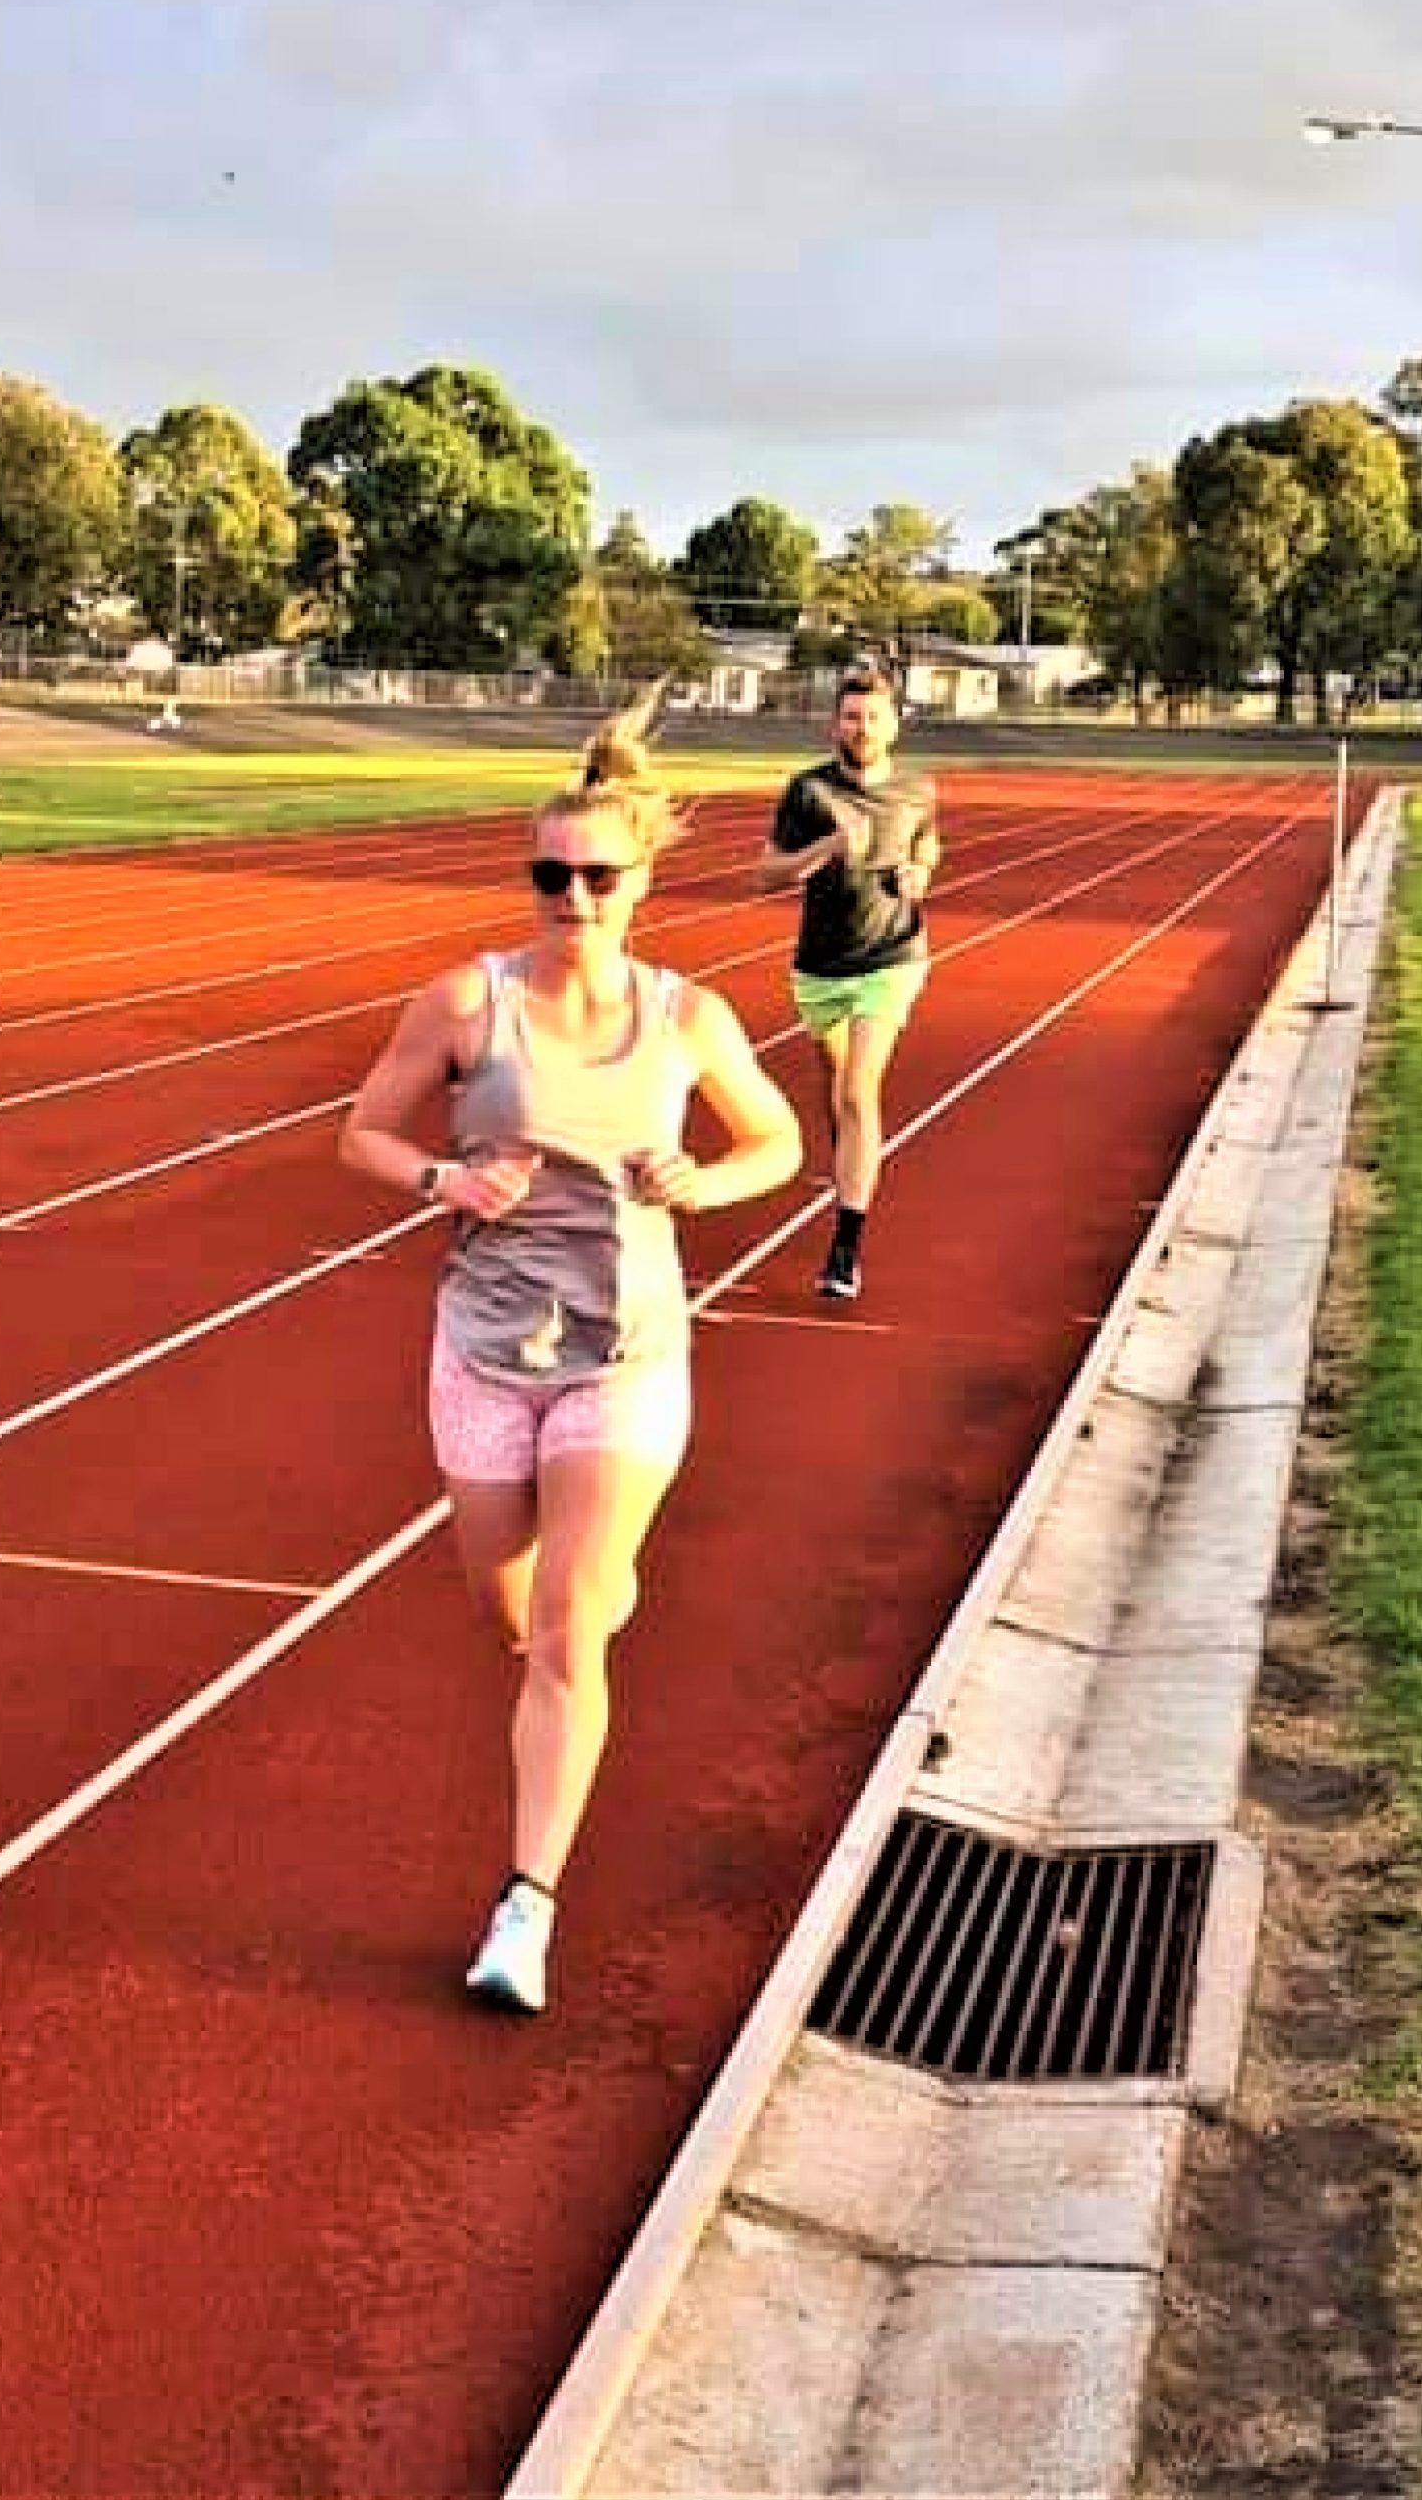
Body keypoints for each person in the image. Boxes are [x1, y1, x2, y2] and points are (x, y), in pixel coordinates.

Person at [339, 691, 803, 2015]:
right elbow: (359, 1132)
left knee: (562, 1631)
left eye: (598, 876)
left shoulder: (687, 1017)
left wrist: (704, 1183)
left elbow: (775, 1140)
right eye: (551, 875)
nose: (574, 897)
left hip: (627, 1352)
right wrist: (441, 1179)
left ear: (641, 882)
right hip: (484, 1349)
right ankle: (584, 1602)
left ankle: (524, 1907)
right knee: (507, 1612)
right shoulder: (465, 1002)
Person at [753, 662, 942, 1302]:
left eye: (874, 717)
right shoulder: (808, 792)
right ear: (835, 724)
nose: (862, 728)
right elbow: (765, 875)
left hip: (892, 956)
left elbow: (928, 843)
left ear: (894, 725)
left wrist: (920, 870)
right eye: (852, 717)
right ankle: (848, 1166)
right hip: (820, 965)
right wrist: (826, 849)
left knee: (859, 1091)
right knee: (836, 1092)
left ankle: (844, 1247)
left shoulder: (918, 789)